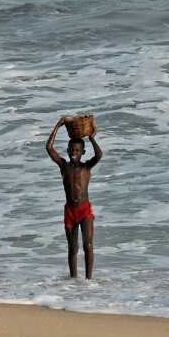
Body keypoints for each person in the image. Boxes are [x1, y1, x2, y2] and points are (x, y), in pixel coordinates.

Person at [46, 117, 103, 279]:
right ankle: (73, 281)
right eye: (71, 149)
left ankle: (88, 280)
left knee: (88, 245)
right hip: (70, 211)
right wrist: (58, 125)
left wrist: (92, 138)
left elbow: (99, 155)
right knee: (72, 247)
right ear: (67, 150)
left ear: (82, 153)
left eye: (77, 150)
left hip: (84, 211)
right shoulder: (63, 166)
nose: (73, 153)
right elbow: (49, 147)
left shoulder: (86, 167)